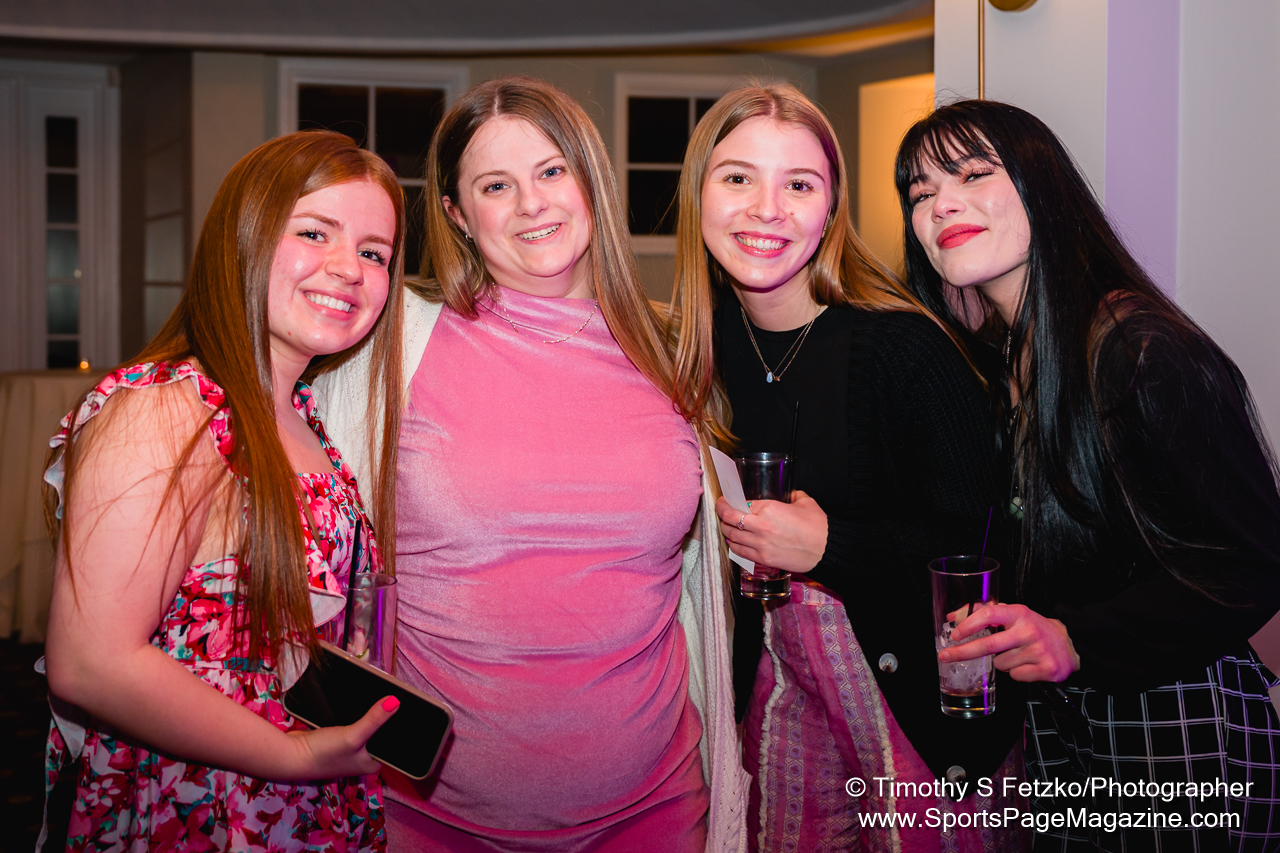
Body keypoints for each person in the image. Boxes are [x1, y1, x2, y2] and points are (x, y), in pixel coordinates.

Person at [312, 76, 746, 852]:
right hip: (428, 816)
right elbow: (261, 414)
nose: (532, 203)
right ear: (457, 213)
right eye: (495, 186)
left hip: (655, 809)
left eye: (551, 171)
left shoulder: (675, 350)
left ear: (590, 179)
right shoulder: (389, 344)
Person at [895, 98, 1280, 851]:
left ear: (1042, 185)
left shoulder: (1138, 350)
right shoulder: (1007, 362)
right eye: (920, 191)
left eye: (973, 174)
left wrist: (1079, 637)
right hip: (1064, 722)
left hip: (1176, 721)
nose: (941, 203)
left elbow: (1254, 561)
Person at [670, 82, 1029, 852]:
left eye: (799, 185)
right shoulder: (697, 351)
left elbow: (984, 550)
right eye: (738, 178)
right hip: (774, 684)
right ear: (697, 193)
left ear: (831, 208)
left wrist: (829, 546)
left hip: (922, 706)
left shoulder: (906, 347)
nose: (767, 209)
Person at [39, 130, 407, 852]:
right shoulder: (166, 407)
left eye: (375, 253)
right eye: (314, 233)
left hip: (304, 804)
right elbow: (90, 662)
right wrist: (294, 757)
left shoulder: (301, 418)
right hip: (202, 806)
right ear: (243, 239)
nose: (348, 268)